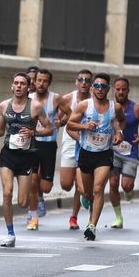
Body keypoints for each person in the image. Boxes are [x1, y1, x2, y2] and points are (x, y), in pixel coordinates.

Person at [0, 71, 52, 247]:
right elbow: (1, 129)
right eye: (16, 83)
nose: (18, 86)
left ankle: (35, 198)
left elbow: (49, 128)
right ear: (12, 86)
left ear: (28, 87)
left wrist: (34, 132)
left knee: (23, 203)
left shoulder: (35, 107)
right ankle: (10, 234)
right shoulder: (4, 106)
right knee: (7, 192)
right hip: (9, 153)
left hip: (27, 157)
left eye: (22, 83)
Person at [66, 71, 122, 240]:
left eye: (103, 86)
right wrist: (84, 127)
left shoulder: (115, 107)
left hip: (104, 154)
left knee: (99, 189)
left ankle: (92, 226)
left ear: (108, 89)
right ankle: (87, 200)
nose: (99, 89)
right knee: (88, 192)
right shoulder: (84, 105)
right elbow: (70, 124)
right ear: (91, 88)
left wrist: (119, 132)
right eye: (96, 86)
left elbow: (120, 121)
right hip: (86, 153)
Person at [107, 77, 139, 226]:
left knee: (126, 185)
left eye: (123, 89)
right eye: (117, 89)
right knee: (113, 183)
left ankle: (129, 190)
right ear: (113, 90)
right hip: (112, 151)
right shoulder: (108, 107)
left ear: (128, 91)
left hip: (130, 153)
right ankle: (118, 217)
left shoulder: (136, 109)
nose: (120, 92)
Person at [24, 68, 60, 229]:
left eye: (45, 81)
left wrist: (61, 121)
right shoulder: (28, 98)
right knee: (32, 180)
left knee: (45, 186)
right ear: (34, 81)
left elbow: (70, 113)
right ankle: (33, 217)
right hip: (32, 143)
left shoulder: (55, 98)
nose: (41, 83)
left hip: (49, 144)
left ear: (49, 83)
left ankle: (40, 196)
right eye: (39, 80)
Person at [57, 70, 92, 229]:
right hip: (70, 141)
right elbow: (58, 120)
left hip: (88, 143)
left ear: (91, 84)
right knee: (65, 184)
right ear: (76, 82)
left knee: (82, 186)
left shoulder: (95, 100)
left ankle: (74, 217)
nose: (84, 82)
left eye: (87, 80)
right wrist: (63, 120)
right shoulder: (67, 99)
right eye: (81, 79)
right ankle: (79, 188)